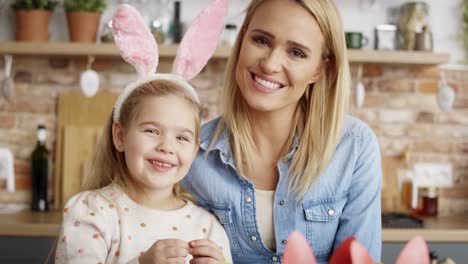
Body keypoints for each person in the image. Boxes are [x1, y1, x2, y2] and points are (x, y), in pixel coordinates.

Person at [182, 0, 382, 263]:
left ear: (321, 70)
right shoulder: (192, 154)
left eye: (296, 53)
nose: (270, 64)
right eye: (261, 41)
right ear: (241, 41)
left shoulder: (354, 147)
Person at [56, 2, 232, 264]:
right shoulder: (91, 212)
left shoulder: (207, 227)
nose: (166, 146)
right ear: (120, 136)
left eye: (181, 137)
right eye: (152, 130)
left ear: (194, 149)